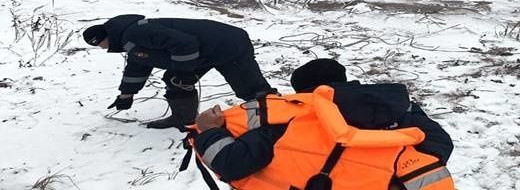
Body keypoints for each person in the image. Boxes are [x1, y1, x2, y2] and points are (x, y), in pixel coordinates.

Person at [189, 58, 455, 190]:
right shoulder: (397, 108)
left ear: (302, 93)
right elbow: (440, 144)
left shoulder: (286, 117)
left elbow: (232, 164)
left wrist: (210, 131)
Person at [83, 14, 273, 130]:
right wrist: (126, 95)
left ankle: (276, 117)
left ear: (105, 37)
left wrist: (184, 71)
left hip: (227, 44)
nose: (102, 48)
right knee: (174, 79)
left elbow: (185, 43)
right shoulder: (129, 42)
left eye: (100, 44)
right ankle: (183, 119)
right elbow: (137, 66)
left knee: (251, 89)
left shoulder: (136, 33)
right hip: (203, 51)